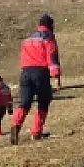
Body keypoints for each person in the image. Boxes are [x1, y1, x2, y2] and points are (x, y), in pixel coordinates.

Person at [11, 14, 62, 144]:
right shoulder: (48, 38)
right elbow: (52, 57)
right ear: (50, 25)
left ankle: (15, 125)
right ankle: (36, 132)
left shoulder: (28, 39)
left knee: (25, 103)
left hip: (25, 73)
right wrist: (56, 74)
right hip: (41, 73)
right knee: (43, 102)